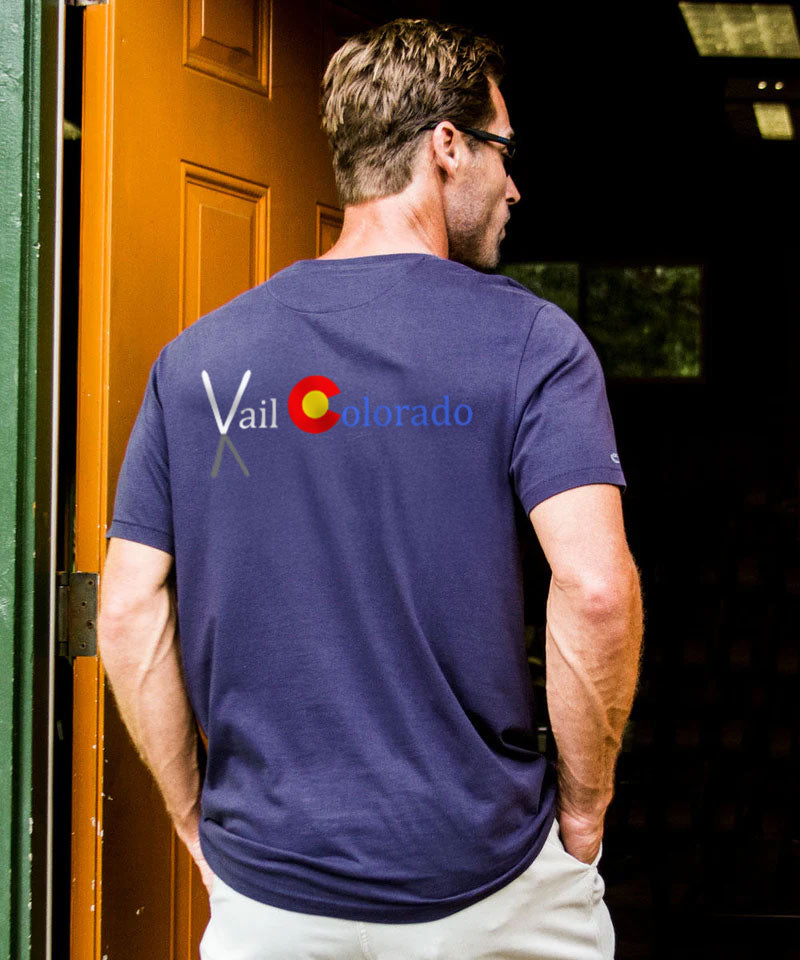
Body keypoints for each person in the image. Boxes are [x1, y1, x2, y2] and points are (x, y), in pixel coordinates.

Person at [99, 17, 643, 960]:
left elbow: (128, 608)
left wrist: (195, 820)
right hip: (486, 881)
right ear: (445, 148)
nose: (513, 186)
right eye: (502, 152)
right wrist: (586, 813)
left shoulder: (197, 361)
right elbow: (594, 591)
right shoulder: (532, 344)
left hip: (270, 886)